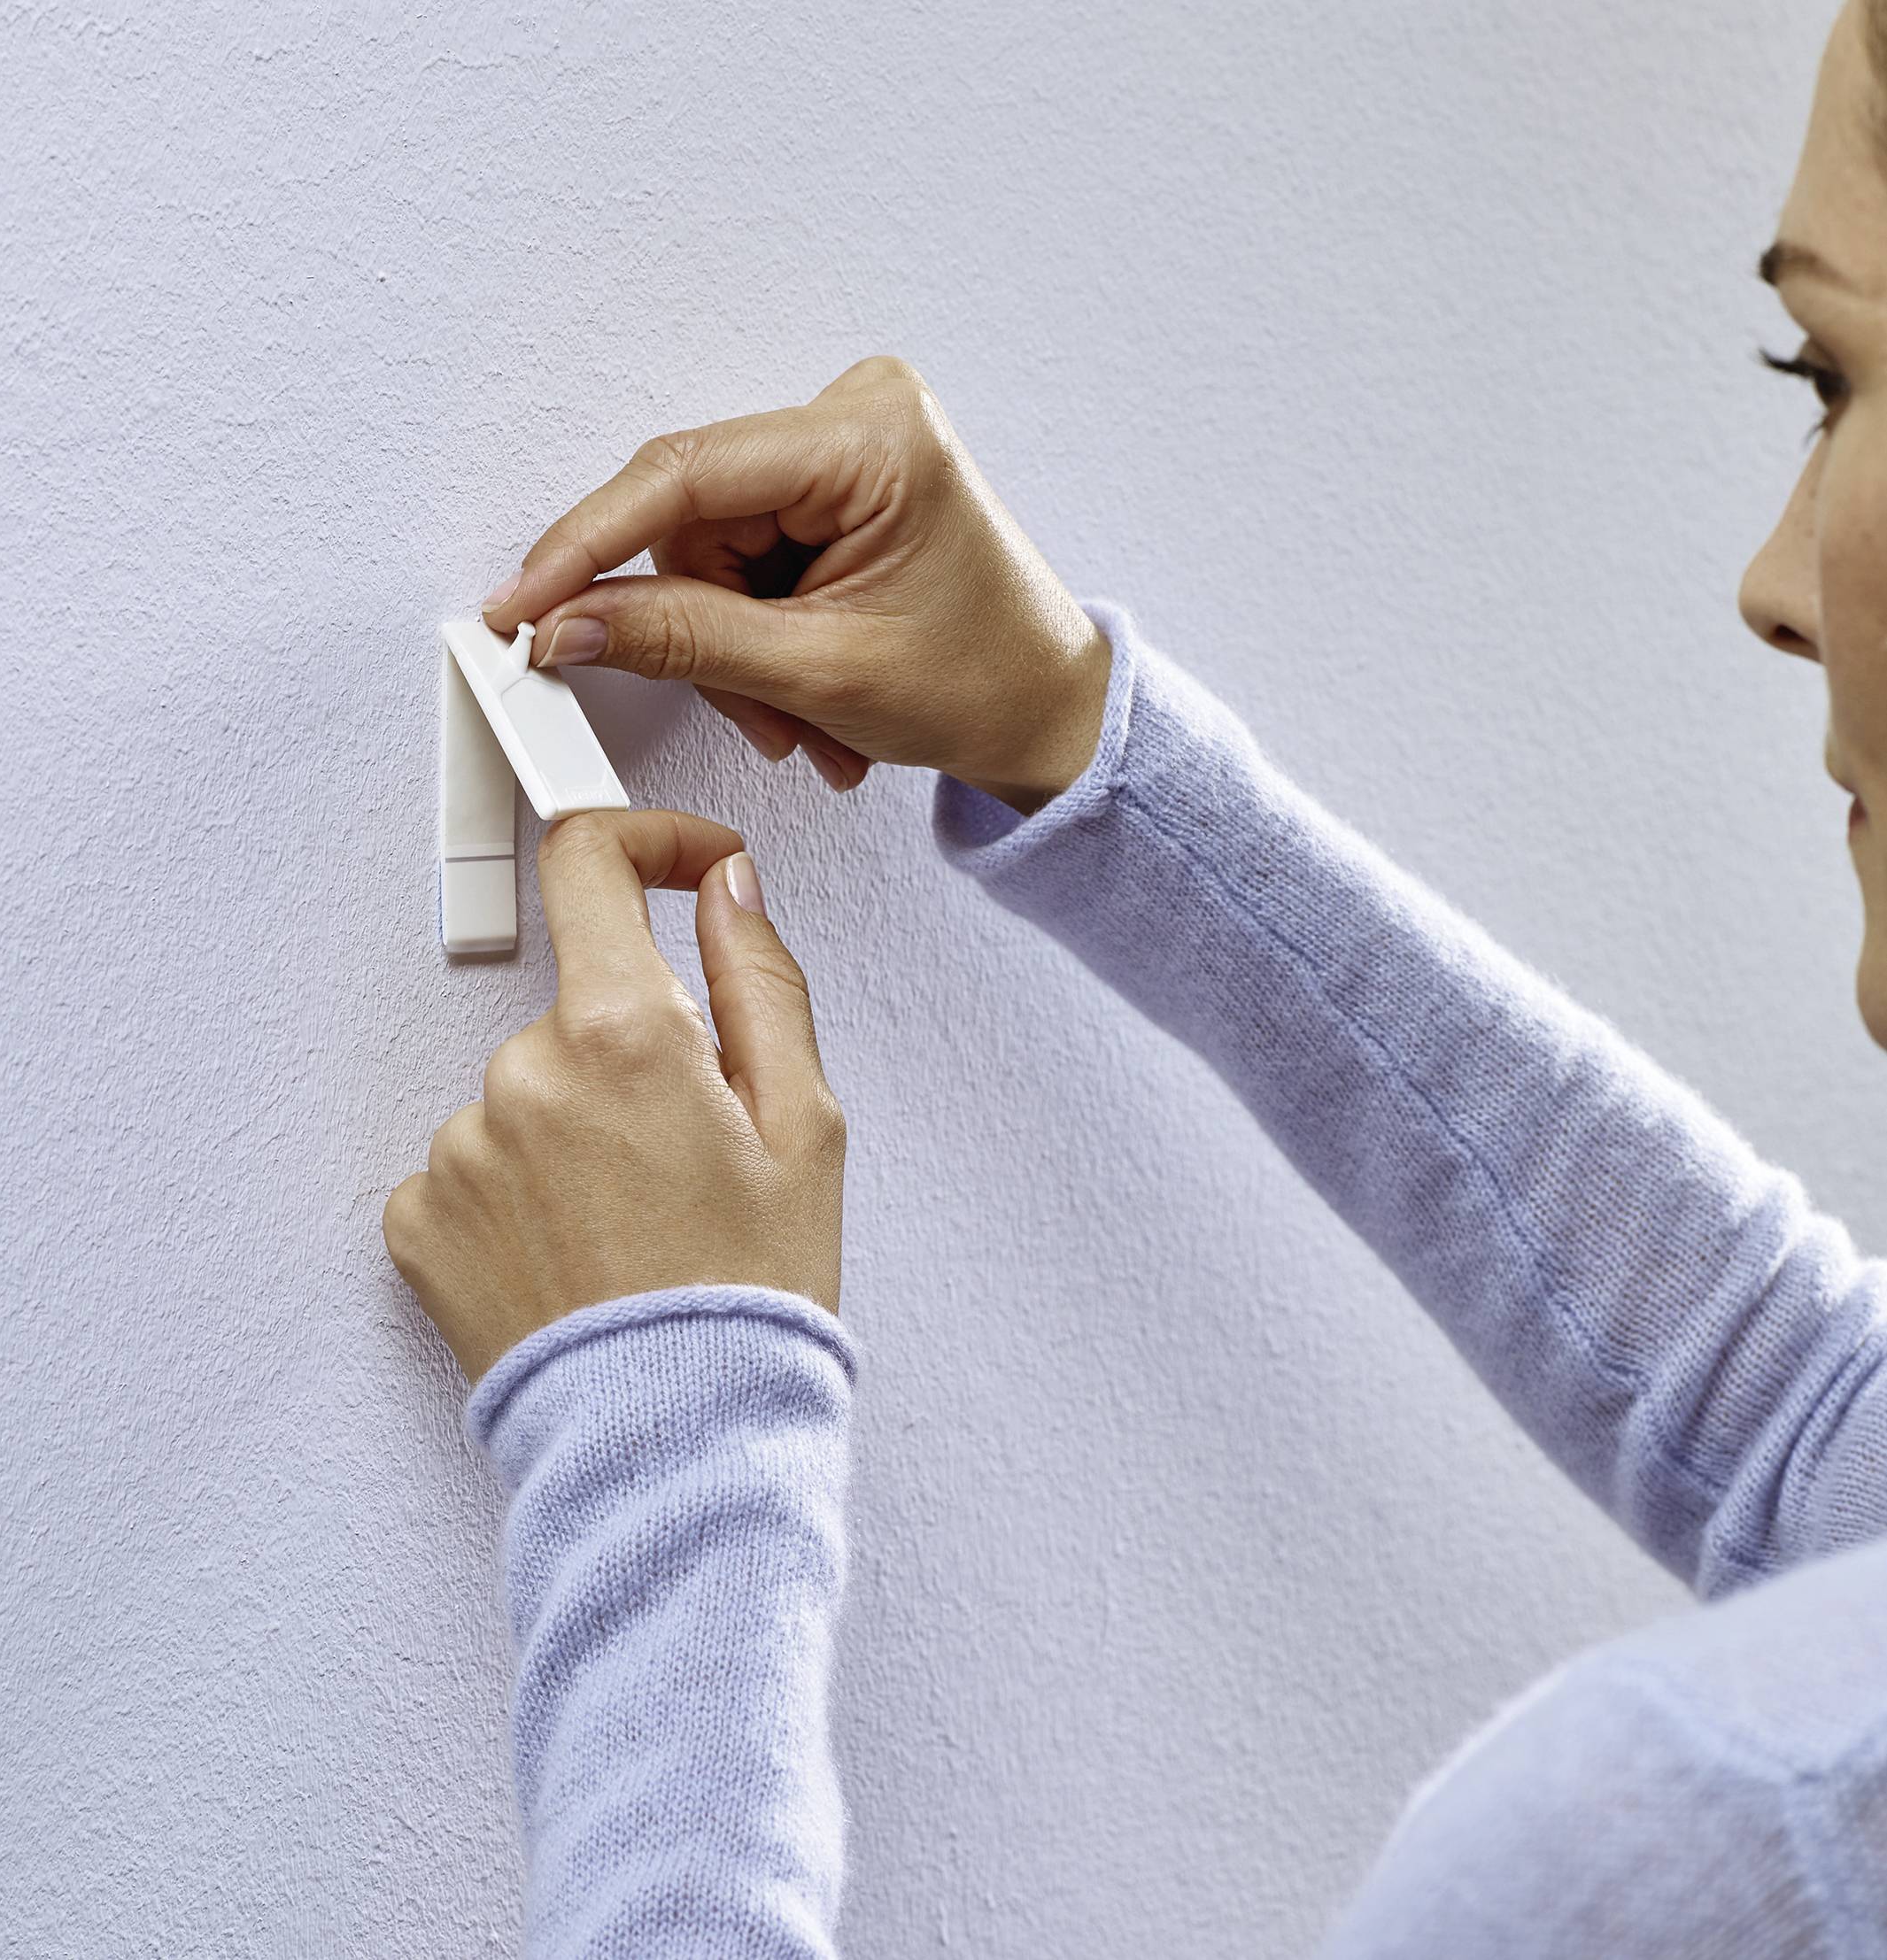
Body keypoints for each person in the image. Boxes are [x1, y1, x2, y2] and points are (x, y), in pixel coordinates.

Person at [378, 4, 1887, 1950]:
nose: (1770, 578)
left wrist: (663, 1433)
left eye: (1829, 374)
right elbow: (1808, 1445)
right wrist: (1080, 743)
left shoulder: (1697, 1844)